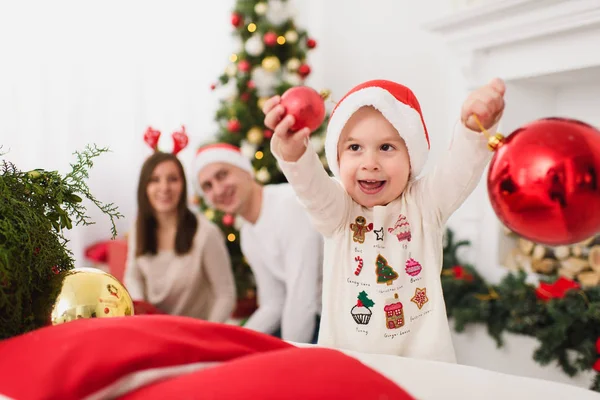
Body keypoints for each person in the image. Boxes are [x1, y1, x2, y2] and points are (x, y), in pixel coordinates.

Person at [262, 78, 506, 362]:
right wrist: (292, 149)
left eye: (386, 148)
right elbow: (309, 183)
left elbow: (460, 168)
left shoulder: (425, 204)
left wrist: (474, 129)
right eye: (354, 148)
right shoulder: (338, 212)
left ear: (411, 157)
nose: (370, 162)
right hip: (348, 370)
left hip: (424, 371)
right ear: (337, 157)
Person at [193, 143, 323, 344]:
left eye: (222, 175)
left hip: (342, 316)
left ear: (245, 171)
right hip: (312, 314)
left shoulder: (289, 205)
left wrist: (287, 360)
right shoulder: (247, 233)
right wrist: (231, 343)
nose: (218, 190)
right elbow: (274, 303)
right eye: (207, 186)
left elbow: (302, 300)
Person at [124, 150, 236, 323]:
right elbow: (133, 275)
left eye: (173, 179)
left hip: (194, 334)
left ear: (183, 185)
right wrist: (141, 312)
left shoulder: (206, 233)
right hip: (150, 328)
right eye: (155, 180)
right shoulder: (138, 227)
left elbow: (225, 294)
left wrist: (206, 335)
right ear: (144, 187)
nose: (164, 188)